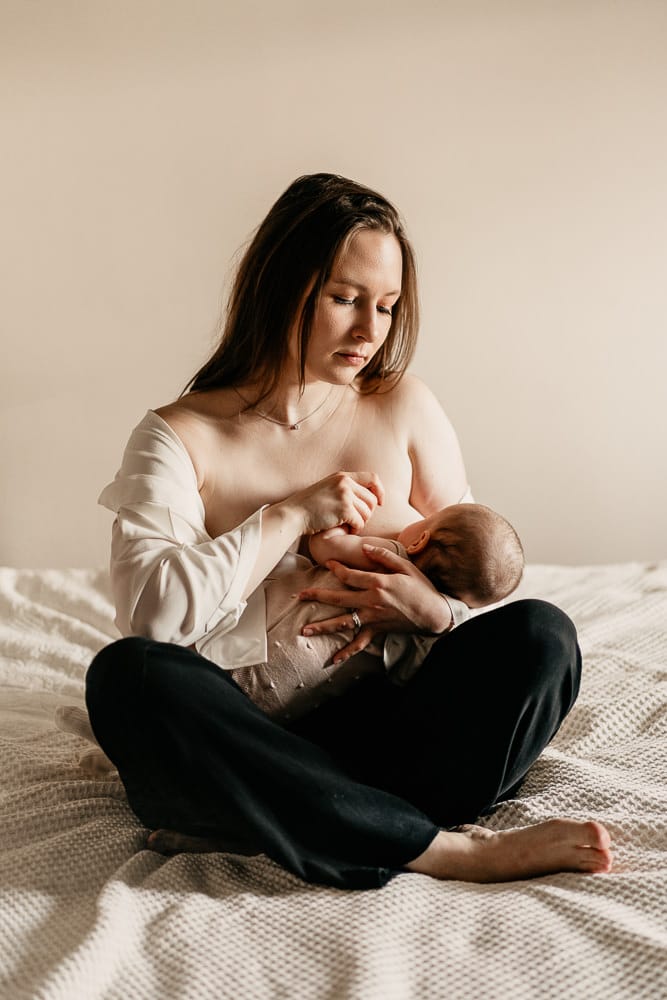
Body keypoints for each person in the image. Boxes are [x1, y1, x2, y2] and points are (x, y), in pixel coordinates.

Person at [86, 172, 612, 890]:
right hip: (245, 730)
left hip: (386, 736)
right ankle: (439, 848)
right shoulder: (180, 438)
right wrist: (291, 516)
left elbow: (475, 564)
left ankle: (278, 816)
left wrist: (435, 613)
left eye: (387, 306)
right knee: (130, 676)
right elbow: (151, 615)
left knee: (542, 635)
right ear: (280, 285)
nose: (370, 331)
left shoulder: (404, 406)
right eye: (344, 298)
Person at [231, 501, 525, 721]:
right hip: (286, 707)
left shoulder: (389, 558)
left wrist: (343, 517)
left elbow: (324, 545)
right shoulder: (424, 639)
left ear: (421, 539)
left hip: (243, 660)